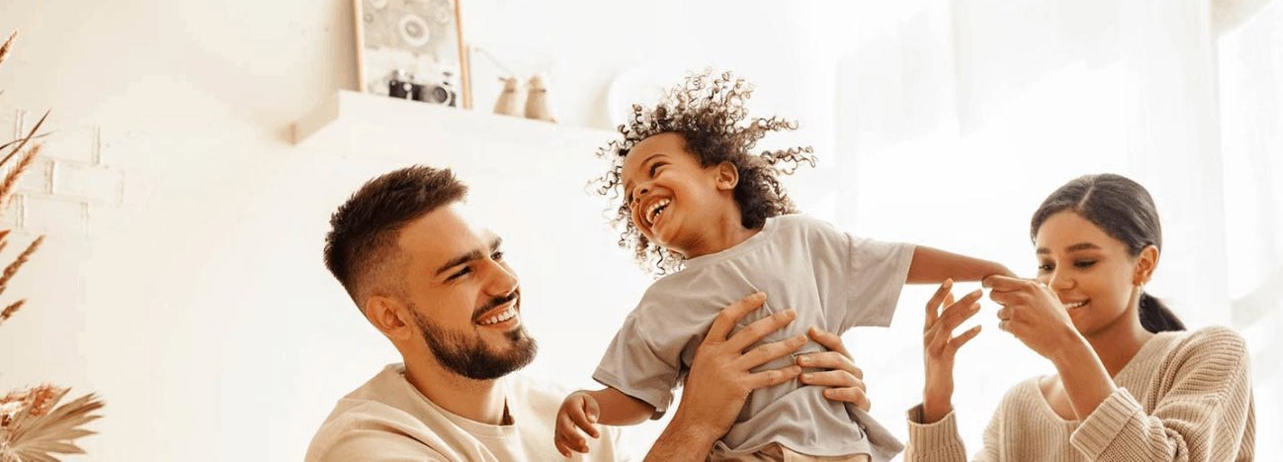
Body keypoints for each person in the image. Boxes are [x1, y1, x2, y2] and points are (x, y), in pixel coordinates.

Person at [557, 71, 1012, 461]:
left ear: (724, 176)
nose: (640, 193)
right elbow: (636, 395)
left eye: (655, 171)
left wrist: (990, 269)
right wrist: (590, 403)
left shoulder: (802, 240)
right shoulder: (662, 303)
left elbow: (898, 259)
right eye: (631, 194)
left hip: (840, 447)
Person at [304, 166, 873, 461]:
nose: (505, 282)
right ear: (393, 318)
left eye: (496, 254)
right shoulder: (370, 446)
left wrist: (798, 412)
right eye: (461, 271)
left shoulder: (569, 416)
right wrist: (695, 422)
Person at [908, 173, 1256, 461]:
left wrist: (1063, 344)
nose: (1056, 282)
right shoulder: (1020, 408)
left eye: (1084, 262)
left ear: (1143, 265)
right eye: (1046, 265)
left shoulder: (1209, 354)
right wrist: (936, 396)